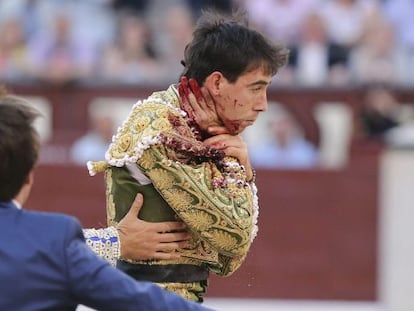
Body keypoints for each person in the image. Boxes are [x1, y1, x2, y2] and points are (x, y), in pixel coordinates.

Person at [88, 9, 288, 302]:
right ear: (217, 83)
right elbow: (234, 238)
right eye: (255, 89)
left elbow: (226, 262)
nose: (263, 105)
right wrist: (234, 165)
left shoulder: (202, 130)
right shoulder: (159, 125)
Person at [0, 94, 214, 311]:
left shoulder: (53, 242)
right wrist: (114, 242)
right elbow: (144, 303)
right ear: (29, 176)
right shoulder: (55, 241)